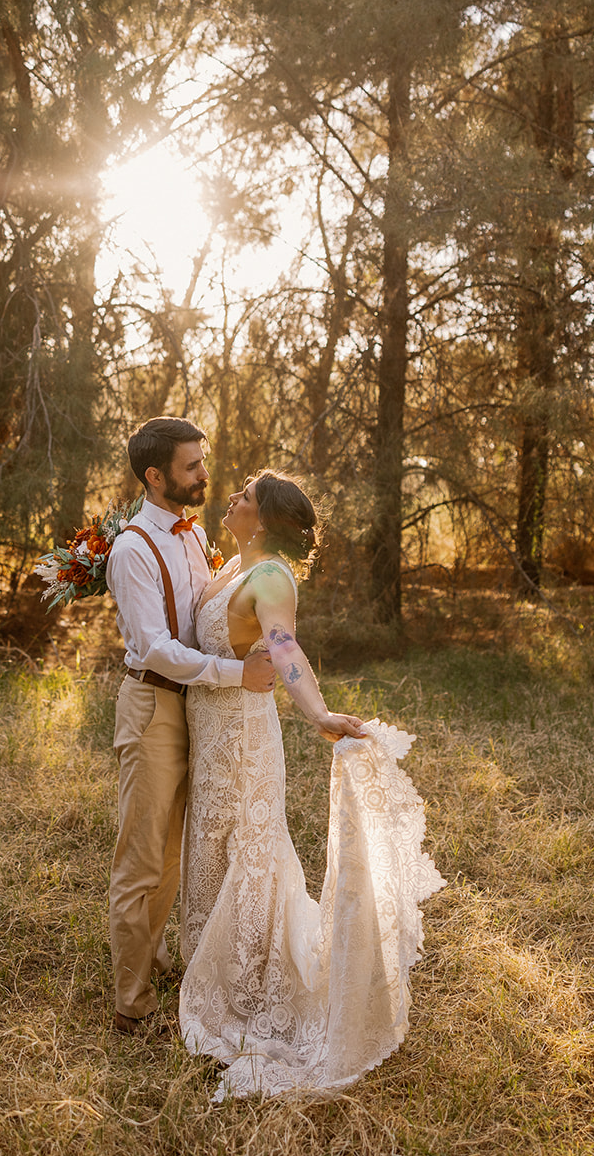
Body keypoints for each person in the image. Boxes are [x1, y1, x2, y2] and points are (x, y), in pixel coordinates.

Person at [179, 469, 445, 1099]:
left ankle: (246, 986)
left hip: (243, 738)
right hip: (210, 732)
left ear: (264, 518)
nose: (233, 499)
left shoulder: (270, 576)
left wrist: (318, 713)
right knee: (211, 842)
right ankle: (209, 962)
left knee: (247, 849)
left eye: (244, 496)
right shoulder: (229, 566)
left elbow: (284, 648)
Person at [104, 417, 276, 1036]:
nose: (205, 473)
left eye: (202, 462)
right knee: (141, 856)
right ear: (156, 477)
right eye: (191, 466)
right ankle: (132, 1001)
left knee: (175, 852)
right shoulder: (131, 549)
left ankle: (155, 960)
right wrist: (234, 674)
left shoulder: (193, 532)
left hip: (196, 709)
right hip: (153, 705)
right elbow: (153, 647)